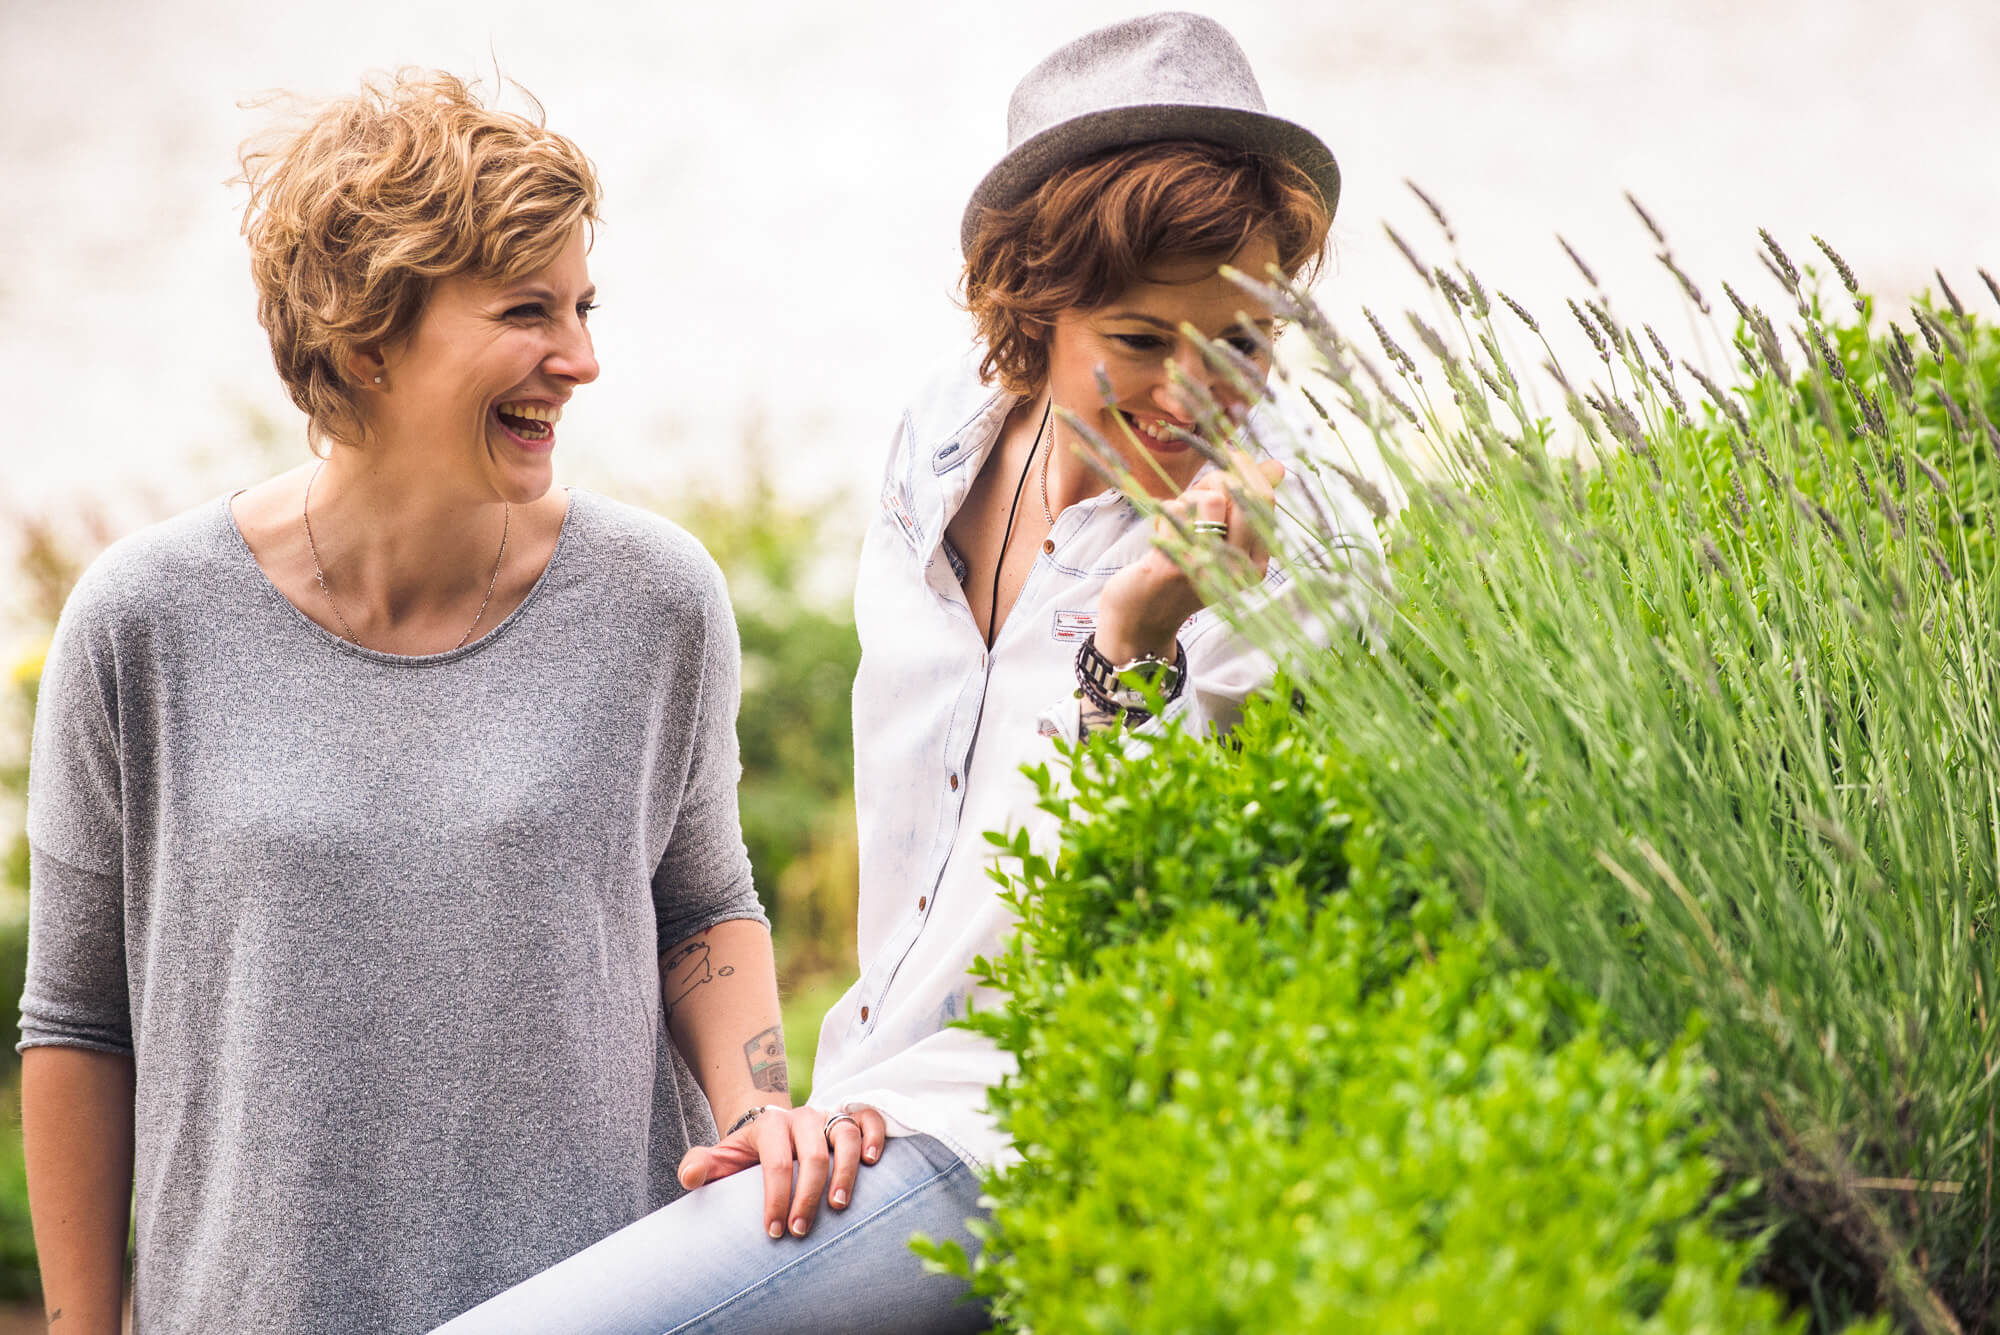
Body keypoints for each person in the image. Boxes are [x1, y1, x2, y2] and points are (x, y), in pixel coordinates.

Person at [436, 13, 1378, 1333]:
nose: (1195, 394)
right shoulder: (939, 442)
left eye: (1243, 343)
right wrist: (787, 1108)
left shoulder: (1296, 540)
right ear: (1033, 314)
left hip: (1033, 1125)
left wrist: (1133, 644)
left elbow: (1168, 922)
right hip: (864, 1090)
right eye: (1141, 340)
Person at [17, 72, 821, 1334]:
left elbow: (702, 907)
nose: (582, 359)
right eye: (526, 311)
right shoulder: (143, 621)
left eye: (582, 307)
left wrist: (761, 1112)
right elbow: (77, 1020)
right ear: (366, 344)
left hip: (610, 1306)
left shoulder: (655, 598)